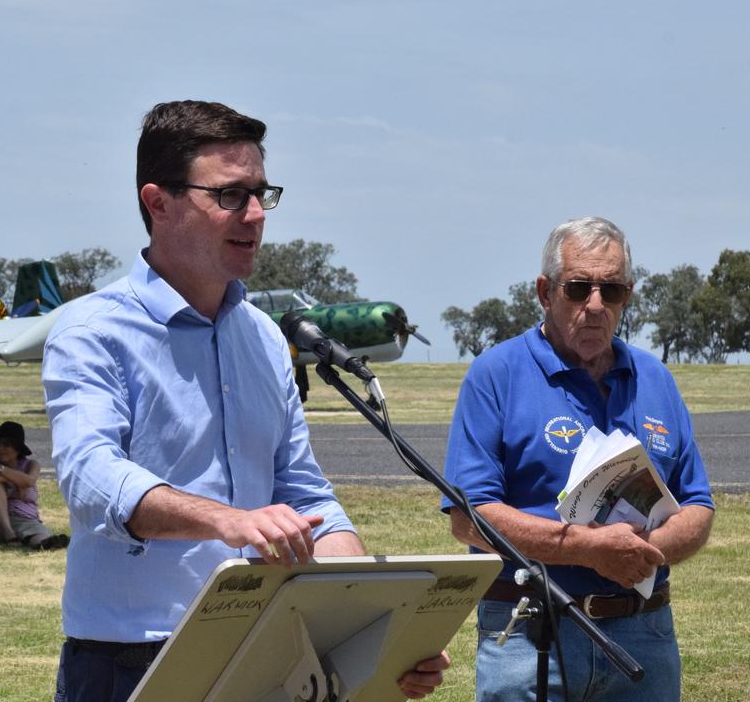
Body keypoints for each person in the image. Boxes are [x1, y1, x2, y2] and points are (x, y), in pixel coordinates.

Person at [42, 100, 449, 701]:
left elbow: (305, 498)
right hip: (134, 658)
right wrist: (229, 521)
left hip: (263, 646)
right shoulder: (90, 331)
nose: (256, 215)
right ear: (159, 203)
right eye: (231, 195)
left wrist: (375, 625)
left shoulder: (261, 335)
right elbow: (90, 476)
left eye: (262, 194)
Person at [442, 217, 715, 701]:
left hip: (643, 635)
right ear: (546, 291)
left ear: (626, 296)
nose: (594, 305)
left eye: (610, 290)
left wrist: (641, 552)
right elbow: (469, 518)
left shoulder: (655, 379)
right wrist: (588, 548)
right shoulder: (495, 375)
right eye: (578, 288)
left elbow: (697, 504)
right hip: (529, 633)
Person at [0, 420, 67, 550]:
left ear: (17, 448)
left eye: (6, 444)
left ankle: (43, 544)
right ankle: (9, 533)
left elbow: (29, 481)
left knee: (40, 537)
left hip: (26, 521)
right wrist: (10, 479)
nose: (0, 449)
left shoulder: (31, 465)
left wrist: (3, 474)